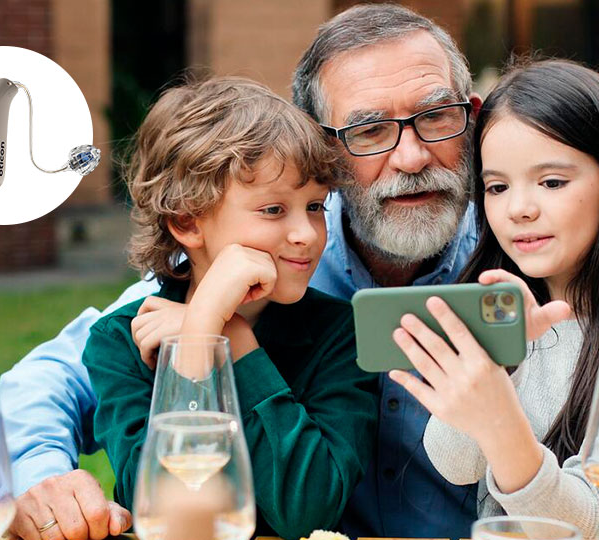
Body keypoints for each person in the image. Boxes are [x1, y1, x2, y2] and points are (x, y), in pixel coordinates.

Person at [0, 5, 483, 539]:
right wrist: (42, 475)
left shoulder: (518, 251)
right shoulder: (161, 315)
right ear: (327, 147)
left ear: (473, 116)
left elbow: (307, 504)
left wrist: (223, 331)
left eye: (436, 116)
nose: (411, 157)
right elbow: (52, 380)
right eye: (369, 129)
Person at [385, 58, 599, 538]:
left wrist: (501, 422)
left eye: (551, 182)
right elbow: (454, 464)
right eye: (498, 187)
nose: (520, 209)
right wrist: (497, 367)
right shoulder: (504, 313)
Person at [80, 77, 378, 540]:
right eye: (274, 210)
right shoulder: (120, 341)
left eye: (316, 206)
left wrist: (228, 337)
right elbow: (166, 510)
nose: (308, 234)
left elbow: (309, 509)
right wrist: (199, 340)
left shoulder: (342, 333)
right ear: (186, 221)